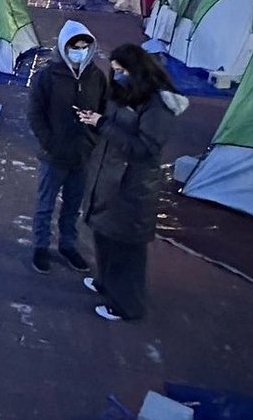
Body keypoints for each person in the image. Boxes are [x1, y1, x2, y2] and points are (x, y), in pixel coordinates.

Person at [77, 43, 188, 321]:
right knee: (104, 234)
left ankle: (127, 305)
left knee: (126, 248)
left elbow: (145, 148)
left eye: (121, 70)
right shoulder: (124, 93)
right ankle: (106, 283)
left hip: (131, 186)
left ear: (137, 70)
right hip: (109, 177)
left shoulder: (157, 104)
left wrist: (103, 125)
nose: (117, 75)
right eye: (114, 70)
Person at [26, 20, 108, 276]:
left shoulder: (97, 77)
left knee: (73, 205)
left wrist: (93, 138)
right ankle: (41, 246)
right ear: (64, 47)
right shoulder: (47, 77)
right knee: (45, 204)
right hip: (54, 155)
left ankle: (68, 245)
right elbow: (35, 113)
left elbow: (104, 110)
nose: (80, 51)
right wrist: (49, 142)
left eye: (85, 47)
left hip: (82, 154)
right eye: (76, 47)